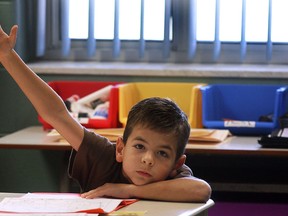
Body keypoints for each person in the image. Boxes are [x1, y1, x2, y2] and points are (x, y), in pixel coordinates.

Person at [0, 25, 211, 202]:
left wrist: (127, 190)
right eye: (139, 146)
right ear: (120, 148)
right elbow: (56, 114)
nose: (148, 159)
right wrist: (7, 56)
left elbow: (201, 190)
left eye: (162, 153)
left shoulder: (175, 178)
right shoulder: (103, 156)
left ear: (177, 164)